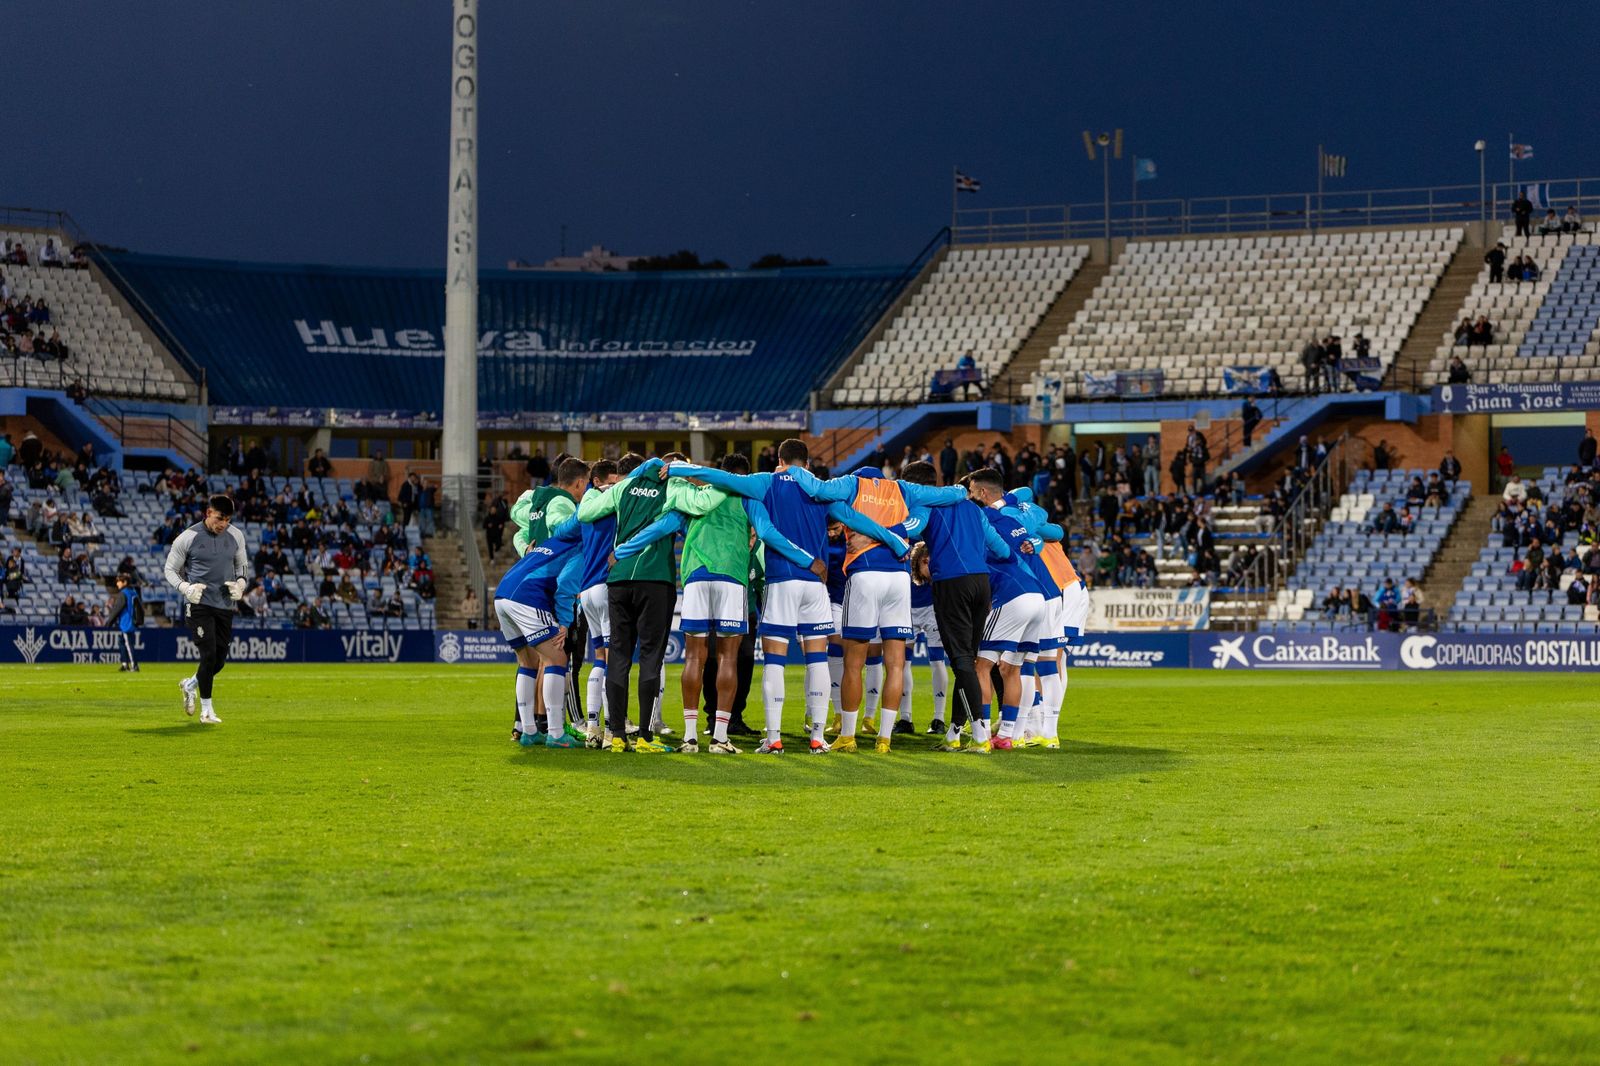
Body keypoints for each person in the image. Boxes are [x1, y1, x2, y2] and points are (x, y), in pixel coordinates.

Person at [661, 439, 911, 754]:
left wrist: (677, 467)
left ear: (779, 458)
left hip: (782, 580)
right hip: (815, 584)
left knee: (775, 663)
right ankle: (818, 739)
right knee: (817, 660)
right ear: (806, 462)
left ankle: (775, 738)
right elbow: (854, 519)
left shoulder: (766, 482)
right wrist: (893, 539)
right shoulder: (819, 489)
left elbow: (721, 480)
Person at [611, 452, 819, 753]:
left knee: (694, 657)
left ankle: (691, 736)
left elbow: (661, 527)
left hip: (695, 575)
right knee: (727, 657)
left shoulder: (693, 498)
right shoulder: (748, 496)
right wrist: (807, 560)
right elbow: (766, 533)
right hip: (731, 576)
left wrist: (623, 550)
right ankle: (720, 737)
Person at [775, 459, 967, 753]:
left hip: (864, 574)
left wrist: (794, 469)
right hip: (899, 579)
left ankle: (848, 736)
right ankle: (885, 739)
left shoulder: (851, 484)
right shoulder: (903, 488)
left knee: (854, 660)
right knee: (896, 663)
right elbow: (954, 494)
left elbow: (818, 491)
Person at [164, 495, 249, 725]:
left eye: (228, 519)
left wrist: (240, 585)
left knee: (218, 661)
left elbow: (242, 568)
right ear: (208, 512)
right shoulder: (188, 537)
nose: (223, 524)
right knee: (209, 654)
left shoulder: (236, 536)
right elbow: (170, 569)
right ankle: (207, 711)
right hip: (199, 603)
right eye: (220, 518)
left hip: (224, 605)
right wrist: (185, 587)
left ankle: (190, 685)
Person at [105, 574, 142, 671]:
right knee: (122, 642)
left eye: (119, 581)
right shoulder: (133, 592)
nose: (117, 583)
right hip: (132, 622)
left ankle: (134, 666)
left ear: (124, 582)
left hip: (126, 623)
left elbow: (117, 609)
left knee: (128, 644)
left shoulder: (123, 594)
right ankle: (125, 664)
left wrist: (109, 621)